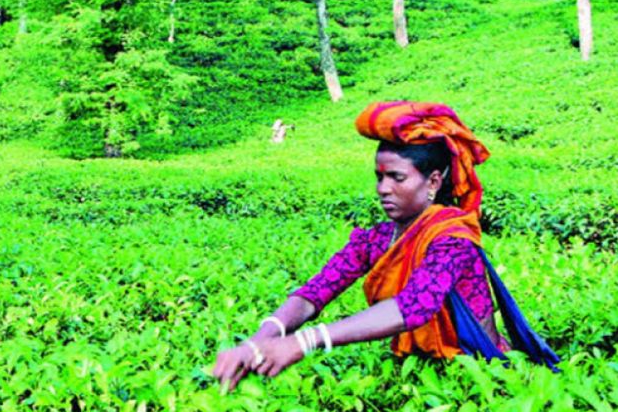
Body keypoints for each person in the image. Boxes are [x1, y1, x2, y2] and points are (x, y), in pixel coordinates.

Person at [213, 101, 559, 392]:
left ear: (433, 181)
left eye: (397, 178)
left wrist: (304, 342)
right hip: (415, 376)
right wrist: (260, 339)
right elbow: (315, 293)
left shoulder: (453, 240)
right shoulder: (376, 239)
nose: (383, 188)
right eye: (379, 177)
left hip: (481, 376)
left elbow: (414, 306)